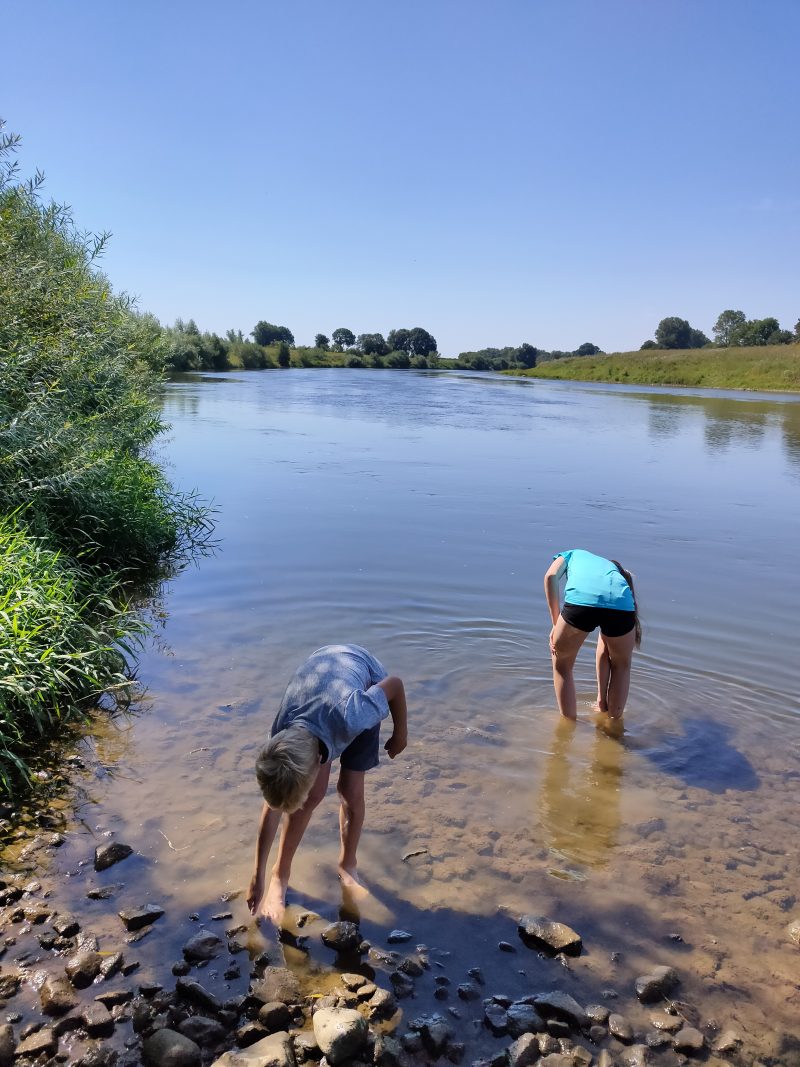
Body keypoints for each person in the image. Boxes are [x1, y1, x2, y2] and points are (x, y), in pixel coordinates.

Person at [246, 644, 408, 925]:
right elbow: (272, 806)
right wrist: (256, 876)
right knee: (311, 797)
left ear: (320, 760)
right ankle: (279, 875)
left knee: (350, 792)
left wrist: (400, 734)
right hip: (319, 682)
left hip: (363, 680)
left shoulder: (355, 714)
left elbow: (394, 684)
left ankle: (348, 865)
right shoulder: (282, 734)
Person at [543, 549, 641, 721]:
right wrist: (600, 699)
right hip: (622, 606)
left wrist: (555, 623)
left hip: (580, 602)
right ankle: (613, 725)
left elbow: (550, 576)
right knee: (621, 666)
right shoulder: (614, 576)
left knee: (562, 665)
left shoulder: (571, 554)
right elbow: (604, 651)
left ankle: (568, 726)